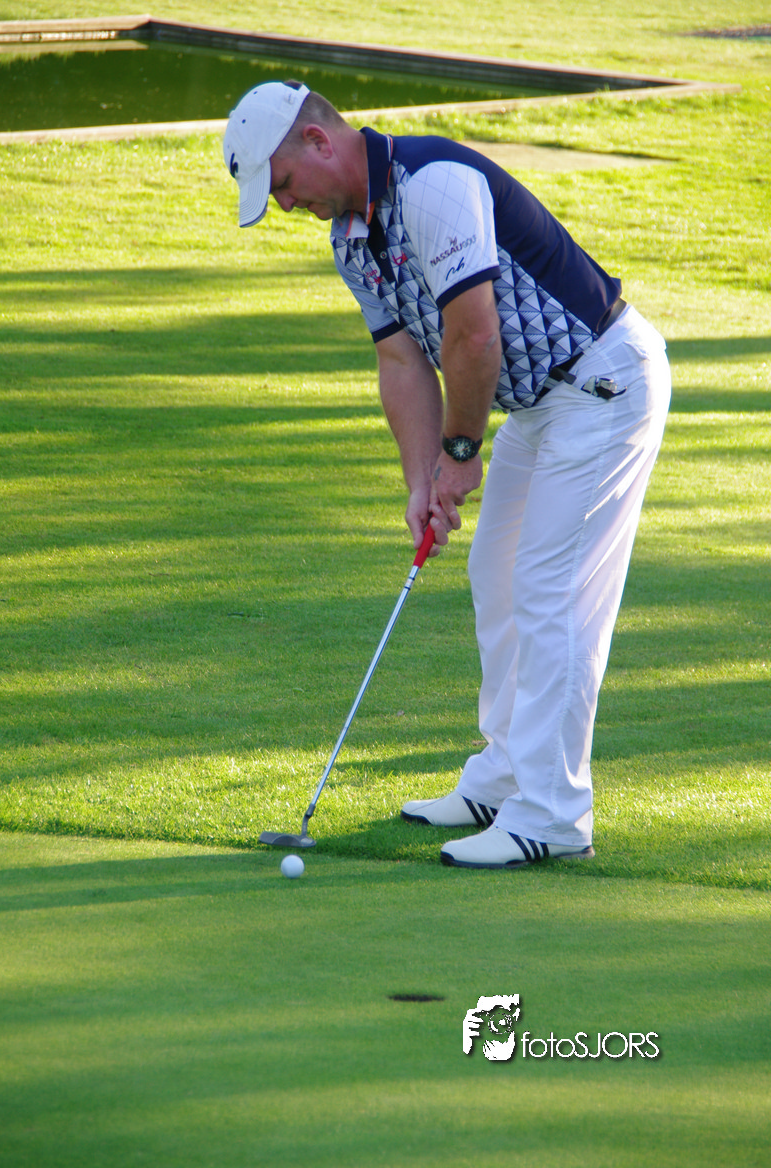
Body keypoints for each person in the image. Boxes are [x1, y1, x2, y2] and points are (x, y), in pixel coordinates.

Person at [223, 81, 671, 870]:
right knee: (495, 574)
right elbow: (402, 362)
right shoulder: (351, 240)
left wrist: (460, 454)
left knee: (550, 592)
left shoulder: (435, 183)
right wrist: (422, 480)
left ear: (318, 142)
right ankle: (505, 775)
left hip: (602, 384)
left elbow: (473, 337)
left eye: (284, 184)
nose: (287, 205)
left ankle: (553, 813)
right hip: (540, 405)